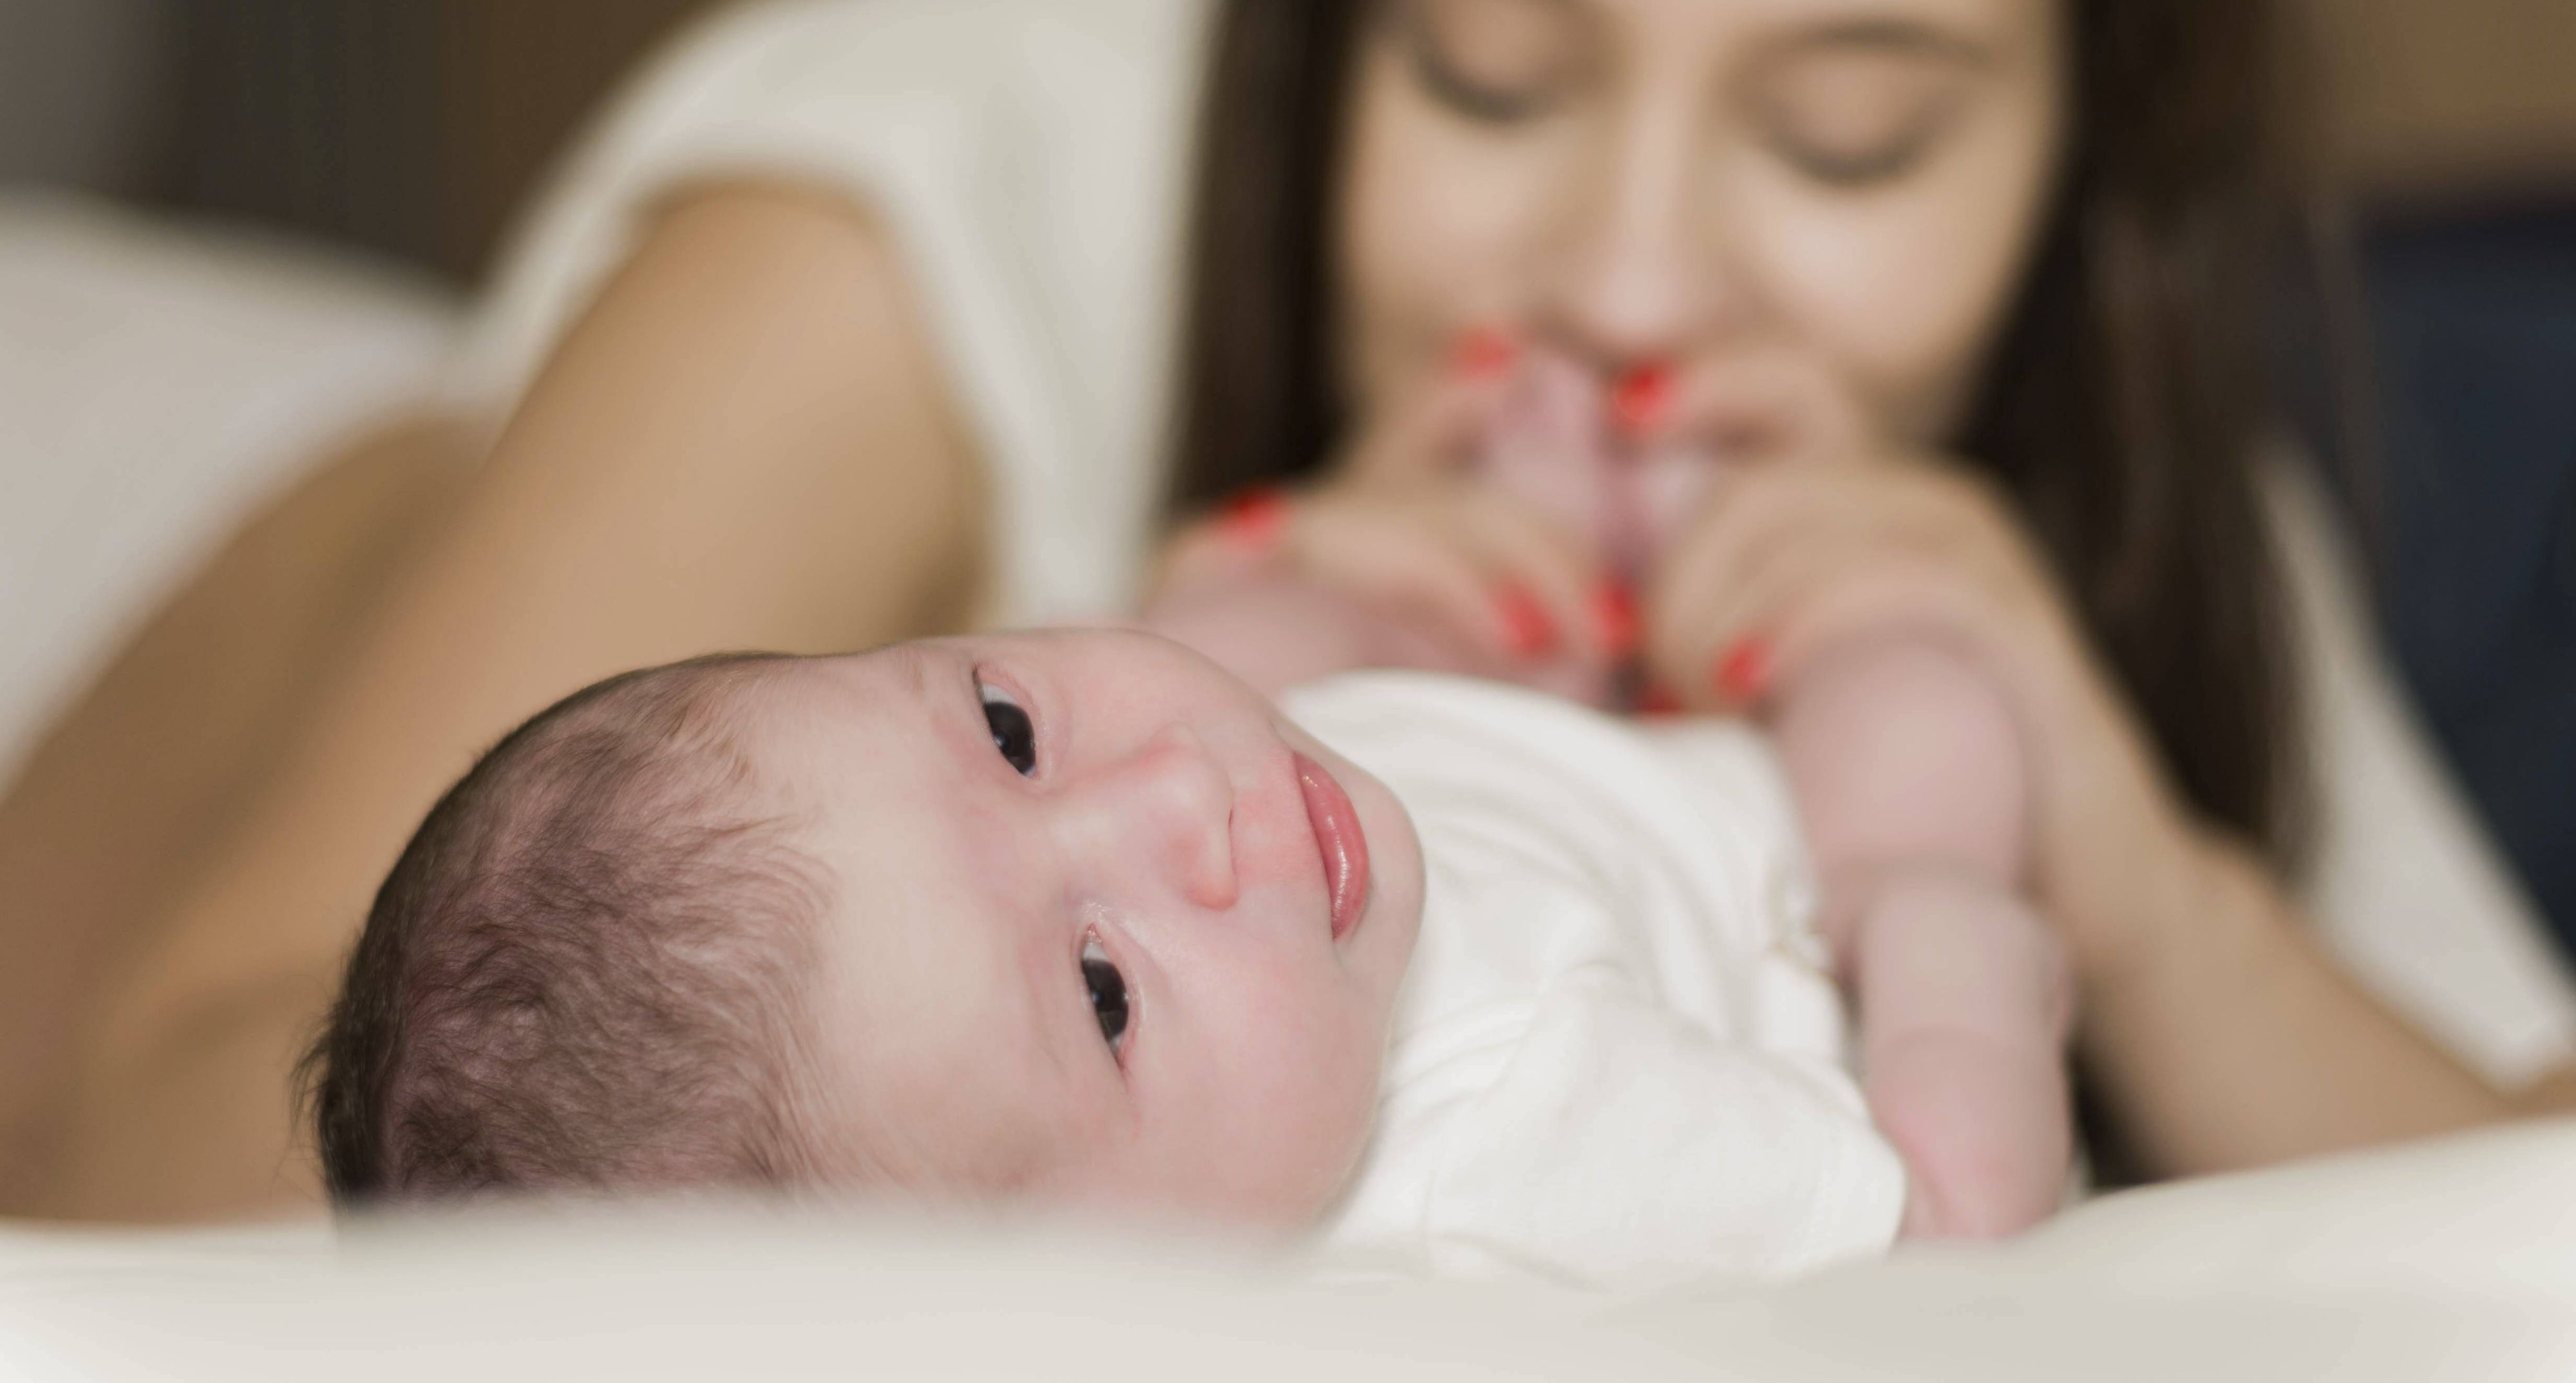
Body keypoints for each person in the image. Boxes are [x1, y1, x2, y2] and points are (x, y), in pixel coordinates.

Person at [13, 0, 2575, 1222]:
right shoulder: (941, 215)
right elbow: (155, 1147)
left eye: (1849, 140)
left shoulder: (2065, 480)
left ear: (2070, 181)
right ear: (1306, 8)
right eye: (1479, 70)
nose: (1633, 281)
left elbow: (2514, 1175)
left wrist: (2123, 878)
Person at [306, 620, 2062, 1280]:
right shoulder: (1513, 1141)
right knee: (1920, 696)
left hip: (1543, 768)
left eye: (1004, 724)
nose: (1173, 799)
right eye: (1100, 991)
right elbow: (1929, 1240)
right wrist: (1939, 942)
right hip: (1788, 867)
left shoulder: (1271, 917)